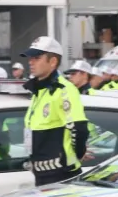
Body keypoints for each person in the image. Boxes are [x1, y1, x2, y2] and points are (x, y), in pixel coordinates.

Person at [21, 37, 89, 186]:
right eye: (30, 58)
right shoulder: (39, 90)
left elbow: (78, 128)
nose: (30, 62)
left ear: (52, 62)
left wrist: (75, 157)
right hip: (42, 173)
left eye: (37, 58)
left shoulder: (63, 89)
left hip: (60, 174)